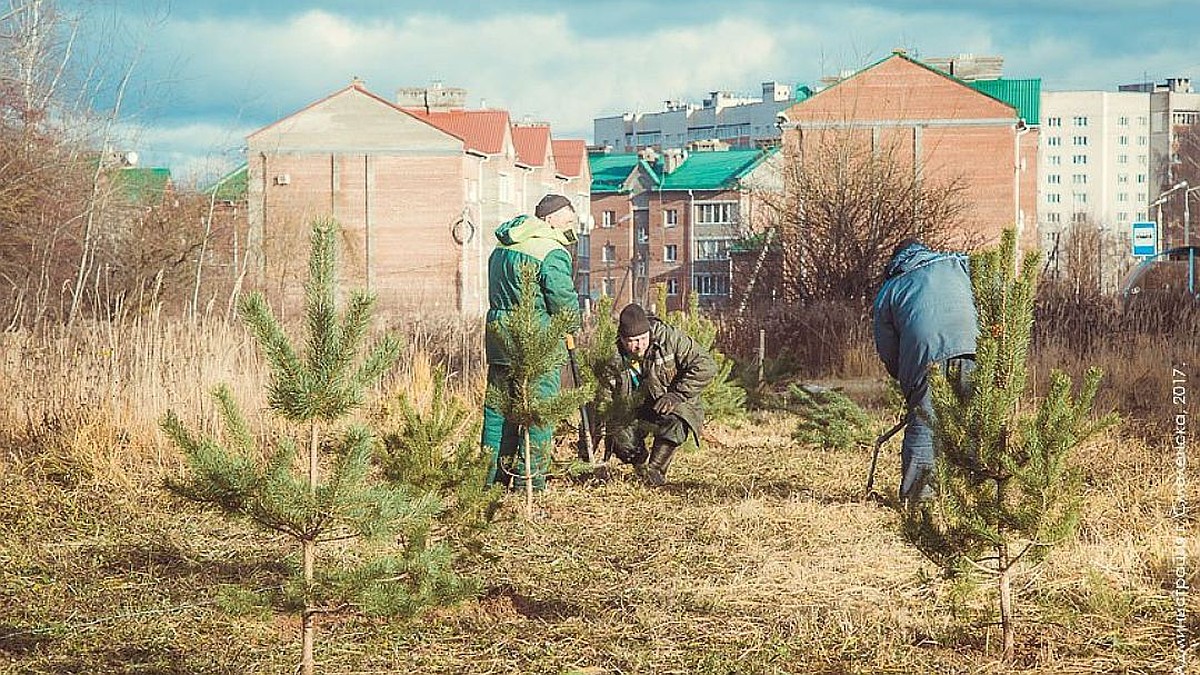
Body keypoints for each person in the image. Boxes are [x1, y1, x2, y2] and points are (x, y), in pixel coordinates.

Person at [482, 194, 581, 490]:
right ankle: (530, 483)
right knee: (538, 412)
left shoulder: (504, 244)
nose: (571, 226)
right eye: (568, 219)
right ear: (550, 219)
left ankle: (489, 479)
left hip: (500, 337)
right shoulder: (551, 250)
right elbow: (562, 298)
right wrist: (571, 325)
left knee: (498, 410)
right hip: (537, 340)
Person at [873, 238, 978, 503]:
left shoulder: (891, 288)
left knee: (924, 425)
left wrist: (907, 381)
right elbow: (993, 288)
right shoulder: (958, 264)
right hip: (974, 346)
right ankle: (982, 495)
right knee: (979, 421)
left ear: (894, 262)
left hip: (926, 357)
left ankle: (919, 501)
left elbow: (888, 348)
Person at [604, 303, 716, 486]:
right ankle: (640, 465)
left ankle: (655, 471)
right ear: (622, 339)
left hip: (670, 401)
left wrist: (676, 395)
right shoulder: (612, 355)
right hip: (634, 406)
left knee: (677, 421)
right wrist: (586, 458)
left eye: (641, 339)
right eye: (630, 341)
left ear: (649, 332)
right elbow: (602, 403)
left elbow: (706, 366)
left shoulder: (670, 339)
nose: (636, 346)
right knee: (618, 432)